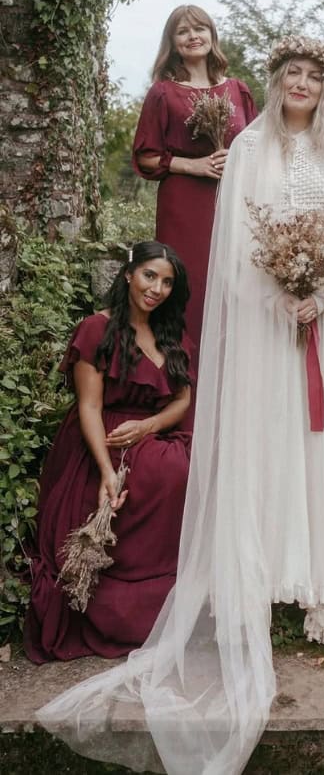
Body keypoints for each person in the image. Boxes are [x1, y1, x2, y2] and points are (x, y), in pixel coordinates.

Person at [37, 37, 324, 774]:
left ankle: (321, 575)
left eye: (313, 77)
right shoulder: (251, 151)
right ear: (276, 79)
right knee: (271, 439)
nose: (300, 84)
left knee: (319, 441)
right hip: (263, 322)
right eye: (290, 73)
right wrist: (280, 295)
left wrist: (322, 294)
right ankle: (266, 564)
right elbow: (233, 252)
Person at [25, 241, 194, 663]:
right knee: (159, 471)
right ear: (128, 275)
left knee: (184, 467)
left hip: (150, 429)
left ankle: (166, 598)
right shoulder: (96, 329)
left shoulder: (171, 333)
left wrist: (151, 426)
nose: (157, 288)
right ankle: (120, 609)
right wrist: (104, 470)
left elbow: (182, 400)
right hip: (103, 437)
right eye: (150, 276)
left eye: (167, 282)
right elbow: (90, 406)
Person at [133, 4, 258, 355]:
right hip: (184, 205)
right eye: (183, 31)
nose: (193, 36)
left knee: (233, 287)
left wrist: (234, 159)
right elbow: (145, 156)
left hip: (233, 201)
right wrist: (195, 165)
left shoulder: (238, 90)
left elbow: (256, 147)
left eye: (200, 28)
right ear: (172, 42)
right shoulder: (163, 93)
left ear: (212, 35)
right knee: (190, 288)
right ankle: (182, 383)